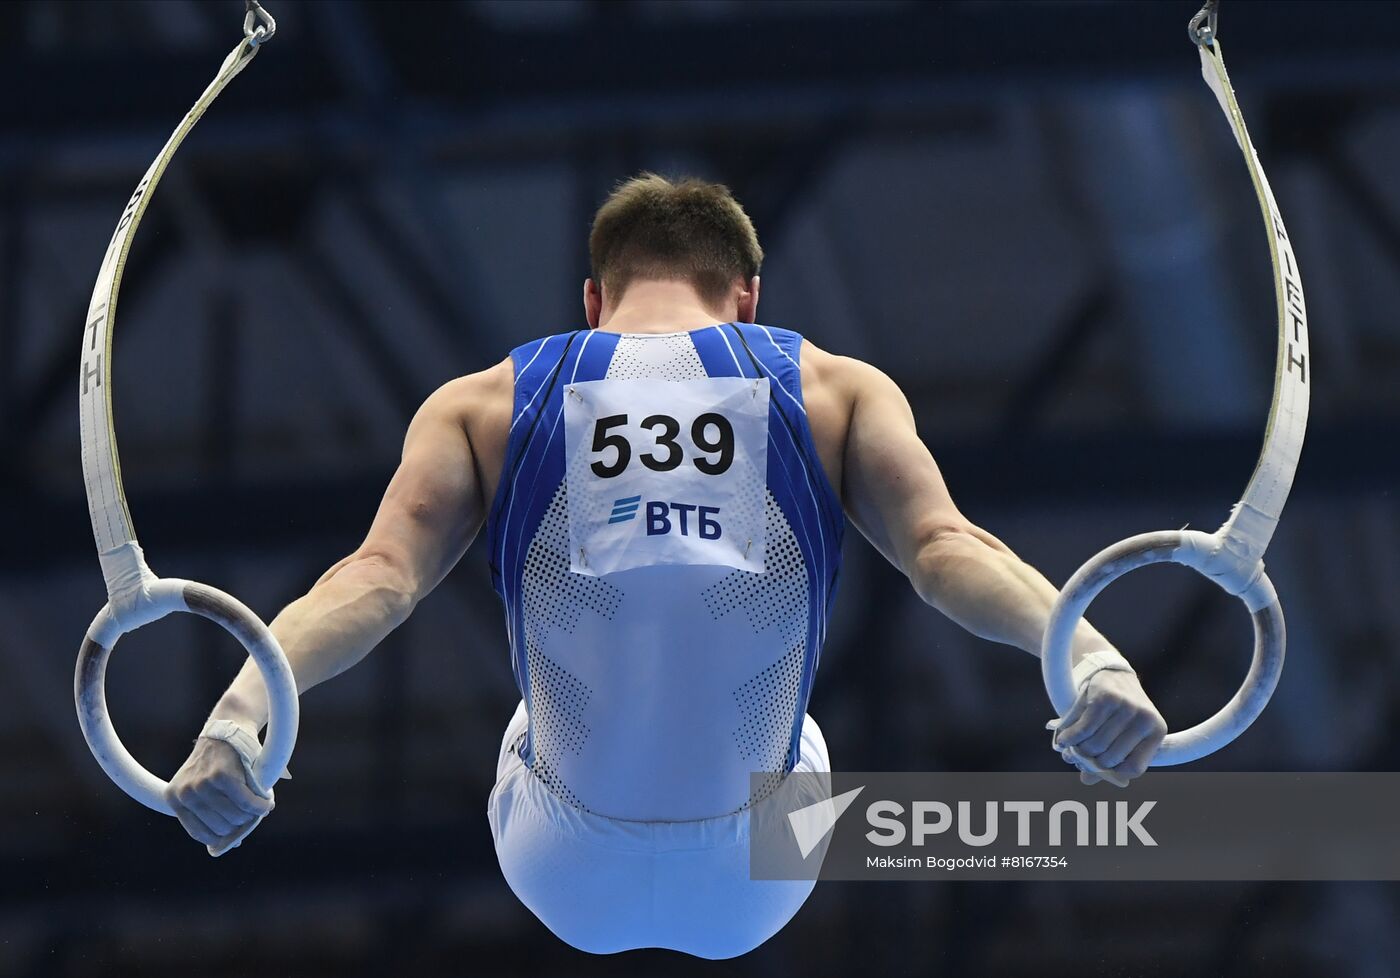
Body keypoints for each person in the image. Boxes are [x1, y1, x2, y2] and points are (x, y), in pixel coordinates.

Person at [165, 173, 1167, 958]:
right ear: (748, 295)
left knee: (541, 698)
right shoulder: (829, 390)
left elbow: (375, 579)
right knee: (785, 713)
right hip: (759, 877)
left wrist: (244, 719)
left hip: (561, 870)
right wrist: (1091, 665)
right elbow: (948, 551)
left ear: (591, 300)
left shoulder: (483, 404)